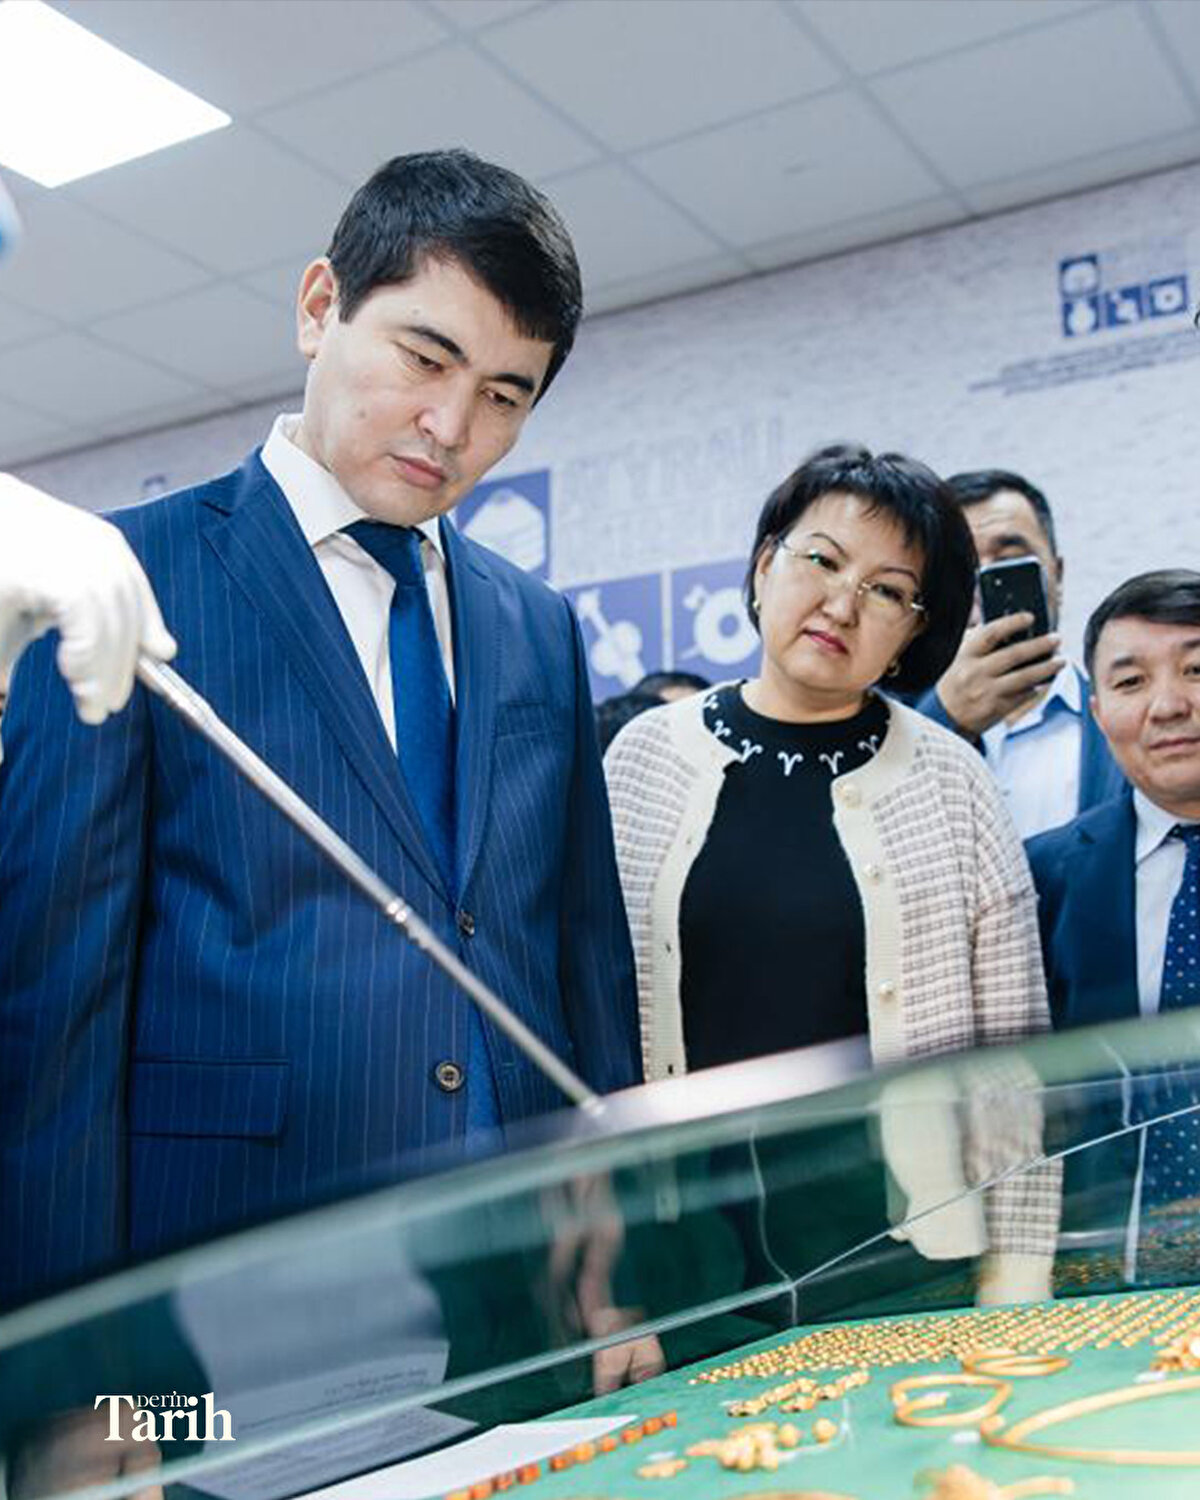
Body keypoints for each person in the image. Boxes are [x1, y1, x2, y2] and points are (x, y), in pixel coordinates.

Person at [0, 150, 639, 1309]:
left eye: (505, 397)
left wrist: (619, 1260)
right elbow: (55, 1007)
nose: (450, 425)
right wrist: (78, 1359)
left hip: (518, 1282)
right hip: (230, 1279)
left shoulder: (537, 625)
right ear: (318, 308)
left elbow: (584, 961)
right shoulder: (121, 577)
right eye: (424, 358)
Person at [605, 444, 1060, 1303]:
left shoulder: (954, 780)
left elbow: (1010, 1060)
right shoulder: (644, 759)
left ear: (915, 631)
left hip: (902, 1258)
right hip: (686, 1259)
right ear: (763, 567)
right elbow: (598, 1021)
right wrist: (613, 1286)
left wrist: (1019, 1271)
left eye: (888, 591)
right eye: (821, 559)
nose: (841, 604)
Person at [1027, 570, 1200, 1276]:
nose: (1169, 704)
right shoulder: (1045, 877)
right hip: (1114, 1276)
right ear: (1099, 714)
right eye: (1131, 683)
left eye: (1196, 670)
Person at [918, 469, 1123, 839]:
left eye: (1009, 559)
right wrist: (943, 719)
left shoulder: (1125, 721)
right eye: (962, 567)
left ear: (1057, 575)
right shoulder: (886, 720)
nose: (981, 584)